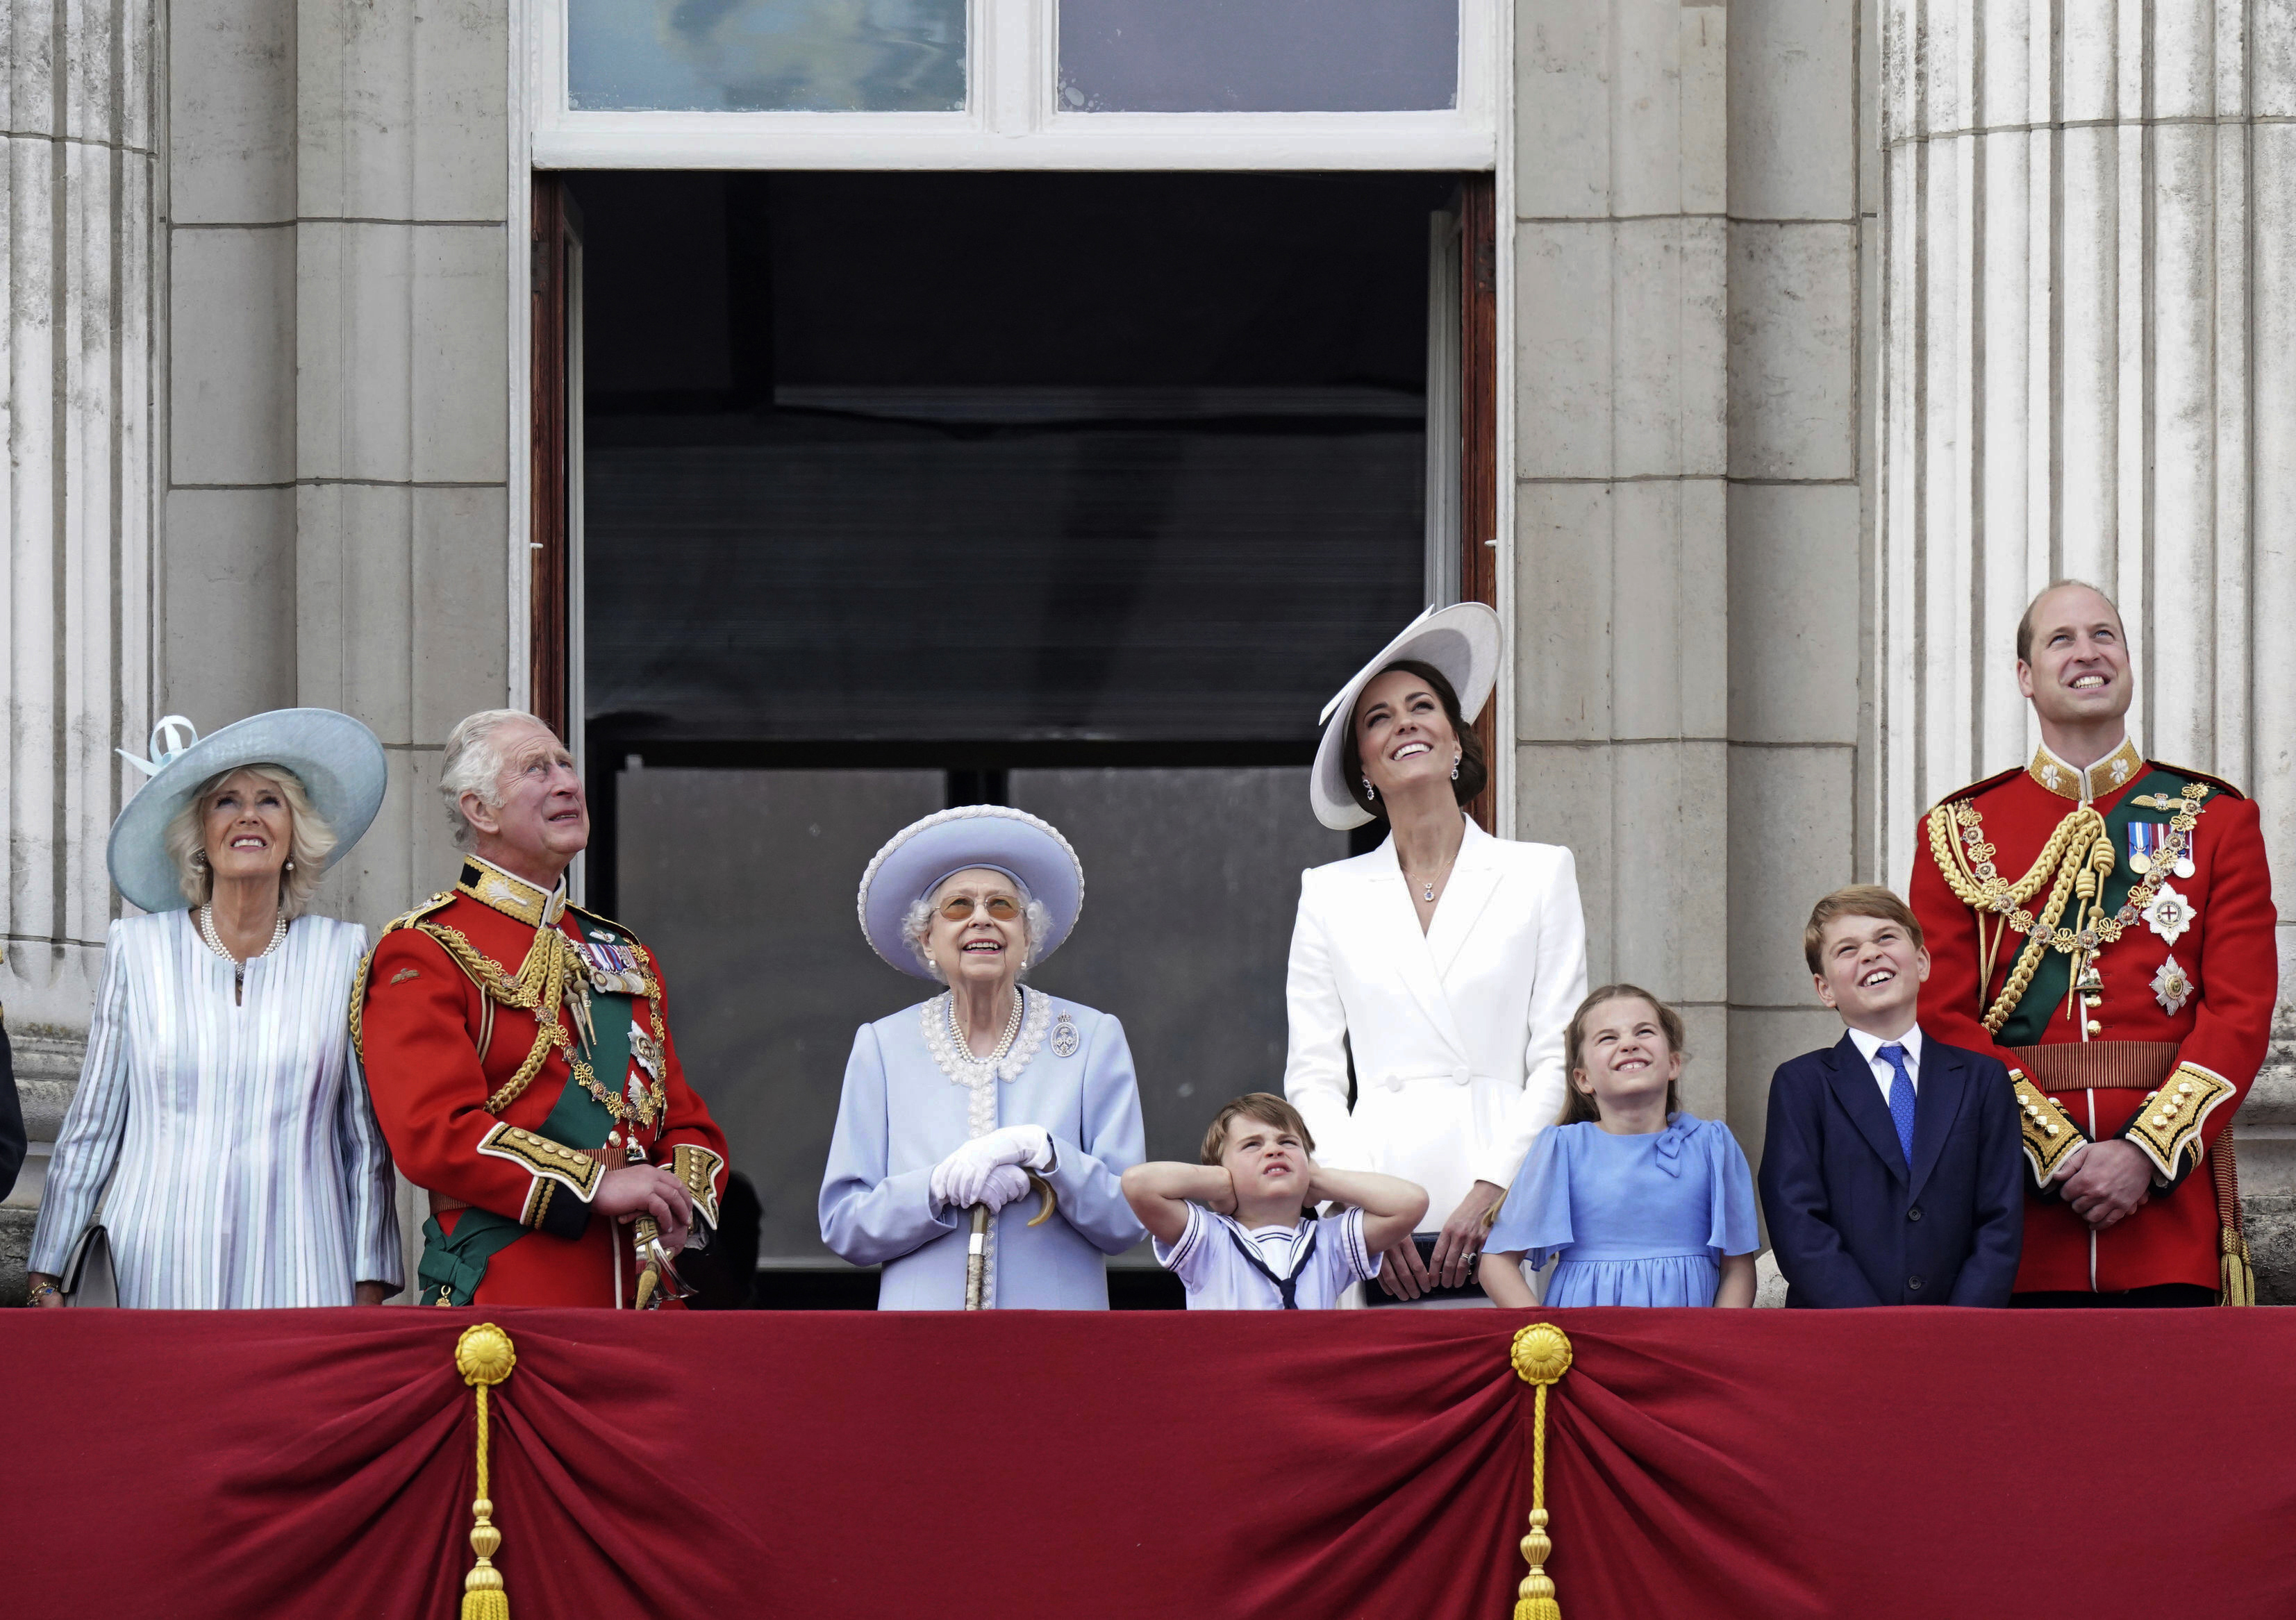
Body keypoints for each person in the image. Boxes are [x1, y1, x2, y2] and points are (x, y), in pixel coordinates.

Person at [1908, 581, 2275, 1306]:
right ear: (2025, 676)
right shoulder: (1958, 830)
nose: (2088, 653)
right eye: (2062, 638)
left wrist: (2145, 1151)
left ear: (2129, 664)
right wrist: (2058, 1149)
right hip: (2015, 1214)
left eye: (2104, 635)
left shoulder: (2217, 819)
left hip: (2168, 1214)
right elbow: (1940, 1015)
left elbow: (2240, 1012)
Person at [26, 710, 401, 1308]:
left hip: (304, 1273)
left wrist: (368, 1282)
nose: (248, 815)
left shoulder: (344, 954)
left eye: (269, 801)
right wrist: (49, 1272)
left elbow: (363, 1142)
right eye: (226, 801)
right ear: (200, 834)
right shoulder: (138, 950)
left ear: (293, 833)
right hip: (153, 1270)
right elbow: (92, 1126)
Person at [355, 710, 730, 1308]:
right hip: (509, 1298)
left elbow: (686, 1121)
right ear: (480, 810)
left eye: (566, 765)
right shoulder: (426, 948)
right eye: (536, 768)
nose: (566, 782)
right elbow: (434, 1134)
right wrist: (596, 1183)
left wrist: (677, 1197)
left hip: (646, 1299)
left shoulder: (622, 951)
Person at [1285, 603, 1588, 1304]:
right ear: (1363, 767)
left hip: (1508, 1185)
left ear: (1457, 740)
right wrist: (1358, 1211)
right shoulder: (1328, 892)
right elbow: (1314, 1077)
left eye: (1423, 706)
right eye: (1379, 718)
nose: (1405, 723)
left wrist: (1495, 1186)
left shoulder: (1540, 872)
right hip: (1379, 1189)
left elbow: (1556, 1056)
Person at [821, 805, 1147, 1309]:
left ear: (1027, 936)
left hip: (1058, 1343)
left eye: (1002, 905)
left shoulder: (1091, 1038)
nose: (981, 918)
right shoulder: (882, 1047)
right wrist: (933, 1188)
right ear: (927, 937)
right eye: (957, 906)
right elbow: (844, 1223)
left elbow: (1128, 1219)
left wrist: (1048, 1154)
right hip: (921, 1342)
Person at [1758, 889, 2024, 1308]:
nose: (1870, 954)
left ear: (1921, 962)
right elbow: (1797, 1220)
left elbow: (2000, 1219)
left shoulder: (1982, 1079)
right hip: (1842, 1334)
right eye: (1847, 949)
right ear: (1824, 988)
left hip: (1958, 1335)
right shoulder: (1802, 1084)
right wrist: (1873, 1330)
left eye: (1885, 938)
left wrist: (1961, 1325)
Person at [1480, 987, 1757, 1308]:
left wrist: (1715, 1347)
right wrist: (1544, 1337)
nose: (1629, 1043)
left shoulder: (1713, 1146)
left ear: (1673, 1063)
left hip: (1687, 1343)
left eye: (1645, 1031)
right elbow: (1496, 1263)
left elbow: (1738, 1267)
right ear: (1583, 1079)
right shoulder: (1562, 1149)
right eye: (1608, 1038)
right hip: (1586, 1346)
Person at [1123, 1093, 1426, 1311]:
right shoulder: (1208, 1238)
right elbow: (1138, 1184)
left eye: (1288, 1143)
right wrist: (1219, 1183)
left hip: (1304, 1394)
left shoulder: (1329, 1243)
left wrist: (1317, 1181)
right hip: (1232, 1393)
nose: (1273, 1150)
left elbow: (1411, 1203)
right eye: (1252, 1145)